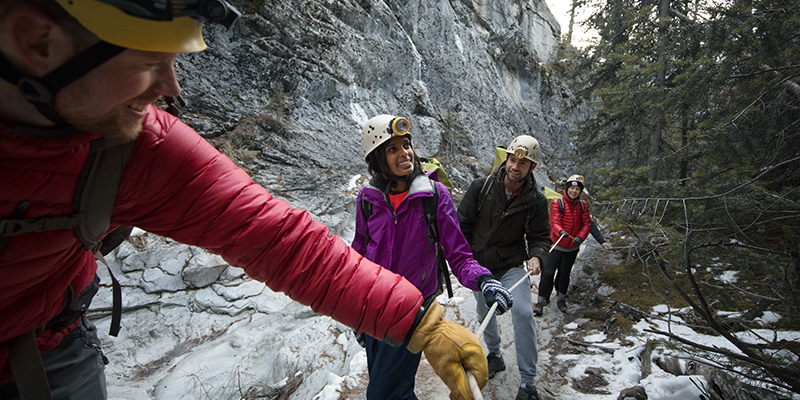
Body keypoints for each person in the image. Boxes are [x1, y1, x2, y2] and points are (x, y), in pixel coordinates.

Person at [0, 2, 488, 399]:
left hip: (50, 347)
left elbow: (281, 240)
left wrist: (423, 322)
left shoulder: (138, 148)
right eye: (149, 63)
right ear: (37, 42)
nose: (173, 88)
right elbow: (353, 248)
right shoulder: (368, 199)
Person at [353, 114, 513, 400]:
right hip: (374, 307)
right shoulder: (368, 199)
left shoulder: (434, 196)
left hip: (412, 310)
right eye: (393, 149)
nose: (405, 153)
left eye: (406, 145)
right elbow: (358, 256)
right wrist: (356, 314)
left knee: (384, 395)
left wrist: (485, 280)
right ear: (377, 159)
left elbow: (459, 253)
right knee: (388, 390)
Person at [457, 135, 551, 400]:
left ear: (532, 167)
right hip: (479, 265)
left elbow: (541, 236)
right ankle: (495, 355)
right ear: (506, 159)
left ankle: (528, 382)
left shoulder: (536, 200)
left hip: (511, 265)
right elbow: (461, 224)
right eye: (512, 160)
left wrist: (537, 257)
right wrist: (464, 261)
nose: (515, 167)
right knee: (483, 310)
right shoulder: (482, 187)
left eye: (523, 163)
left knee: (522, 311)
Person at [535, 175, 592, 316]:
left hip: (572, 247)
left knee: (564, 273)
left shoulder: (583, 206)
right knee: (548, 272)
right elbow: (554, 221)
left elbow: (586, 223)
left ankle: (561, 298)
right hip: (557, 244)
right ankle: (541, 300)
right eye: (571, 188)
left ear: (580, 191)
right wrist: (561, 231)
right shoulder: (557, 203)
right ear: (567, 189)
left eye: (577, 189)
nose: (574, 191)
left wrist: (580, 237)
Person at [554, 178, 612, 250]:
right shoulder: (554, 202)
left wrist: (602, 241)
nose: (560, 191)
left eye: (563, 189)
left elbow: (589, 224)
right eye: (559, 188)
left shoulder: (578, 207)